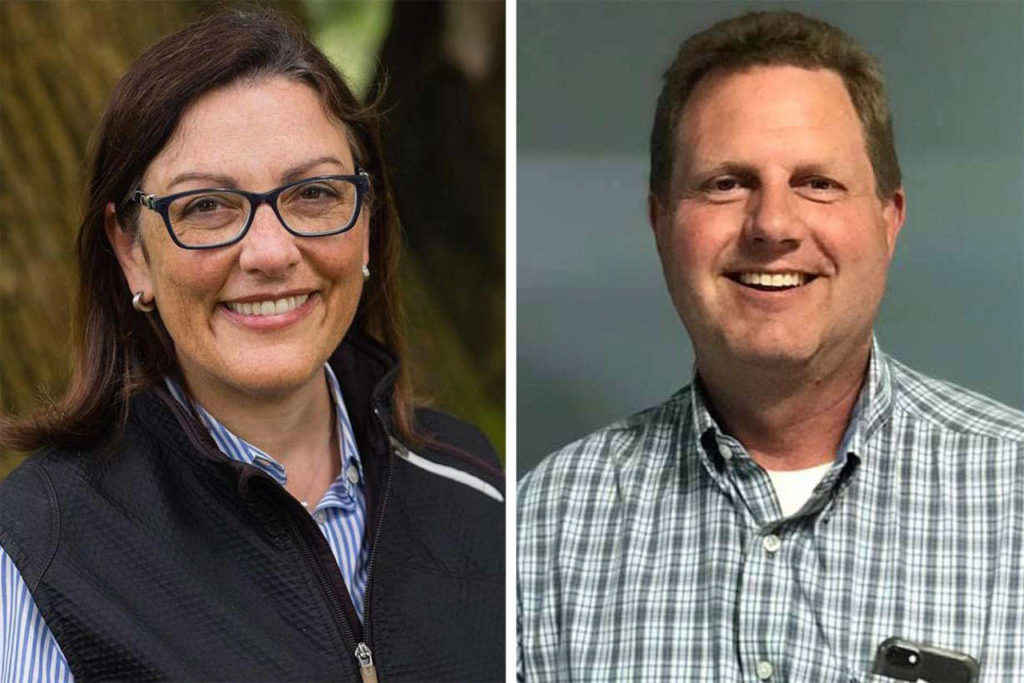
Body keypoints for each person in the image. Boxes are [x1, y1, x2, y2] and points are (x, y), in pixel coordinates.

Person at [517, 10, 1024, 682]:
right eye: (726, 183)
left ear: (888, 221)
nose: (773, 225)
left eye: (817, 182)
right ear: (661, 225)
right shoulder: (541, 528)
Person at [0, 9, 503, 682]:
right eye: (206, 206)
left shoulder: (472, 482)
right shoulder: (43, 547)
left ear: (369, 223)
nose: (270, 251)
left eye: (314, 193)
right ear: (131, 253)